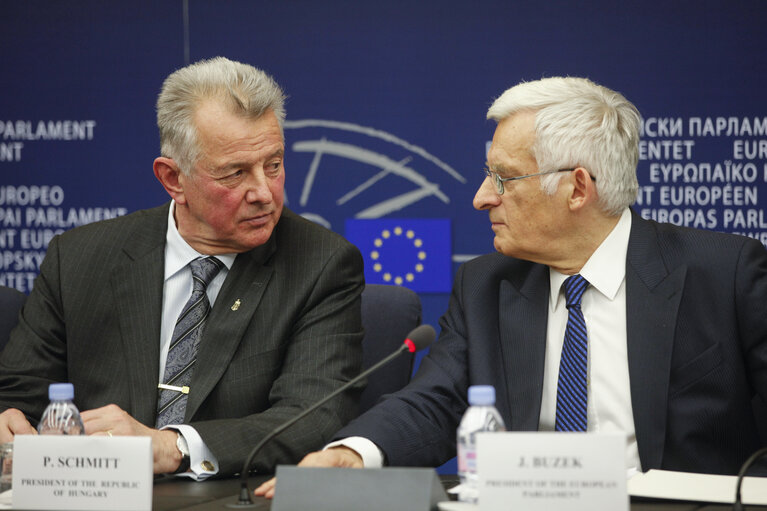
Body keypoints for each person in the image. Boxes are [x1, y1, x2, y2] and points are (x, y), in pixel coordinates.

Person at [256, 76, 767, 497]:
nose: (482, 198)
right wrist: (353, 455)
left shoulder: (725, 276)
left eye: (504, 179)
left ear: (577, 188)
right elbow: (436, 402)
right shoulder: (485, 284)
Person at [0, 57, 365, 480]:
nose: (264, 192)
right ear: (173, 179)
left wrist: (173, 446)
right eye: (235, 173)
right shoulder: (80, 257)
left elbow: (312, 417)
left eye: (274, 164)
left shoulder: (320, 263)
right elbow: (18, 391)